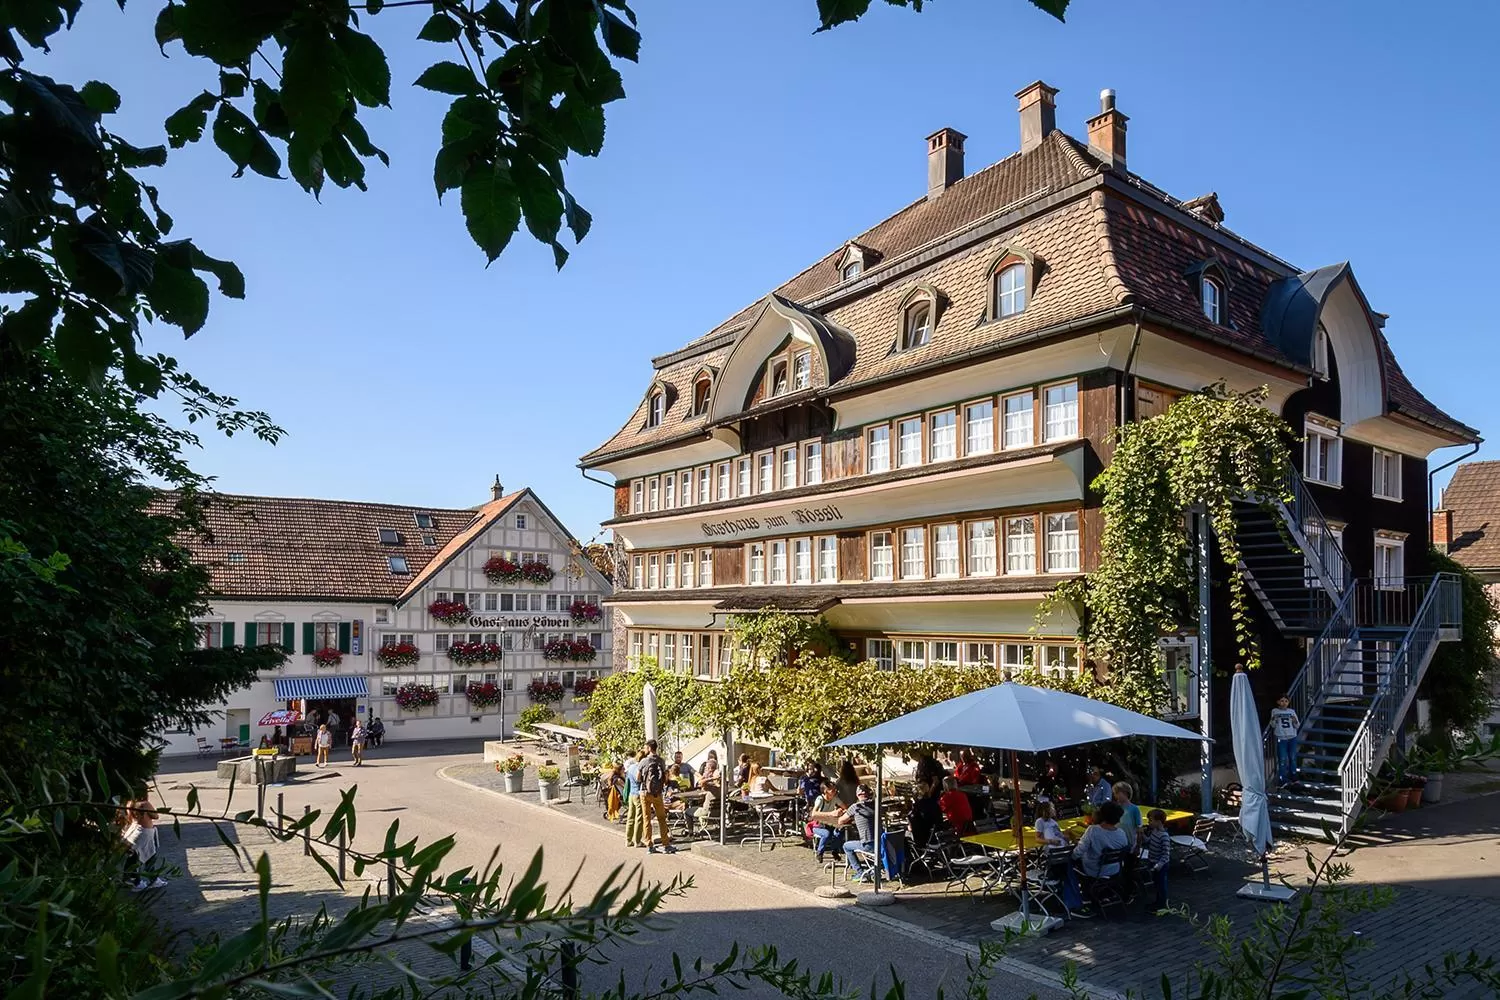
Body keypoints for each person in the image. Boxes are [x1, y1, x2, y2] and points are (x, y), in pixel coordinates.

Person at [1075, 800, 1130, 917]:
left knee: (1072, 863)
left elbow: (1079, 851)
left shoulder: (1093, 830)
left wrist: (1072, 855)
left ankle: (1083, 900)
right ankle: (1103, 892)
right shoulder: (1121, 833)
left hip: (1095, 869)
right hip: (1114, 869)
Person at [638, 740, 676, 854]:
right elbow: (665, 777)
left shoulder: (643, 761)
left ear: (649, 748)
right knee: (661, 818)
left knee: (646, 818)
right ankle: (666, 844)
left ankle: (649, 845)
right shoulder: (661, 761)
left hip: (644, 792)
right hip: (657, 793)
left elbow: (638, 778)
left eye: (646, 747)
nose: (645, 749)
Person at [122, 800, 167, 891]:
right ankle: (139, 882)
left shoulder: (129, 804)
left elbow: (130, 818)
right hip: (145, 832)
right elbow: (155, 816)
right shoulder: (144, 804)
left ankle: (131, 879)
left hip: (135, 830)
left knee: (134, 856)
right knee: (148, 856)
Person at [838, 784, 878, 880]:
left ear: (857, 795)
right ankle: (871, 870)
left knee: (846, 846)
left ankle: (859, 872)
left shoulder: (856, 807)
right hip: (880, 843)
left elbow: (840, 821)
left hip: (868, 845)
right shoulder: (875, 805)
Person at [806, 778, 845, 862]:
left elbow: (845, 808)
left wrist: (841, 811)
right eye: (832, 790)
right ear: (825, 791)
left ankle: (835, 851)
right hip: (818, 825)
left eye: (835, 789)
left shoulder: (835, 798)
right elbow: (814, 814)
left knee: (840, 832)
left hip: (830, 824)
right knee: (826, 834)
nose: (835, 791)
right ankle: (819, 853)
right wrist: (831, 813)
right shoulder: (820, 799)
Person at [1143, 808, 1172, 914]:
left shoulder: (1164, 836)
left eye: (1151, 820)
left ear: (1158, 821)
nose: (1149, 822)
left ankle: (1162, 906)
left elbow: (1166, 854)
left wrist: (1159, 865)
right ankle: (1157, 902)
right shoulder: (1155, 831)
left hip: (1160, 865)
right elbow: (1148, 841)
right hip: (1153, 862)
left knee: (1161, 885)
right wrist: (1142, 835)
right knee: (1156, 884)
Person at [1270, 694, 1301, 785]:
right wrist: (1274, 719)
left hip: (1292, 737)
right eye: (1282, 701)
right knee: (1282, 758)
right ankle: (1282, 778)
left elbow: (1297, 725)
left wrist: (1294, 720)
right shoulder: (1275, 711)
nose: (1284, 703)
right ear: (1278, 702)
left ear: (1288, 703)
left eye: (1286, 701)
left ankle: (1293, 775)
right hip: (1281, 738)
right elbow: (1273, 725)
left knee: (1292, 757)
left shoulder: (1291, 711)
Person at [623, 751, 645, 845]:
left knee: (630, 817)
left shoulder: (631, 767)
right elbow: (638, 779)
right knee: (639, 818)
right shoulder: (639, 769)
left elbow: (628, 779)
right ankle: (637, 840)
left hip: (631, 794)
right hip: (638, 794)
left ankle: (628, 840)